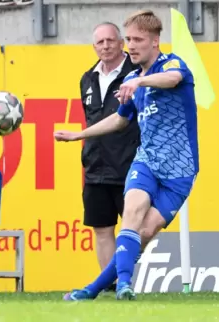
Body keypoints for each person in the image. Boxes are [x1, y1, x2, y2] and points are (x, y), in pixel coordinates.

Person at [55, 10, 199, 300]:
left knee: (145, 232)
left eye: (138, 40)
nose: (131, 46)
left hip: (180, 172)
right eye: (129, 39)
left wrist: (140, 82)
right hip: (146, 161)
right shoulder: (132, 77)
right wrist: (79, 135)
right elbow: (120, 120)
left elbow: (172, 79)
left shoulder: (170, 64)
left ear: (155, 42)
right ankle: (122, 287)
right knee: (131, 214)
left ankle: (93, 289)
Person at [79, 22, 140, 292]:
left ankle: (127, 281)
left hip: (129, 165)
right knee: (102, 229)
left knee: (134, 231)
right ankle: (109, 286)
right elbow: (92, 120)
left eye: (110, 41)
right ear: (94, 47)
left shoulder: (136, 74)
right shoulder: (87, 79)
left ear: (121, 43)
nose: (105, 46)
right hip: (95, 167)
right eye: (99, 42)